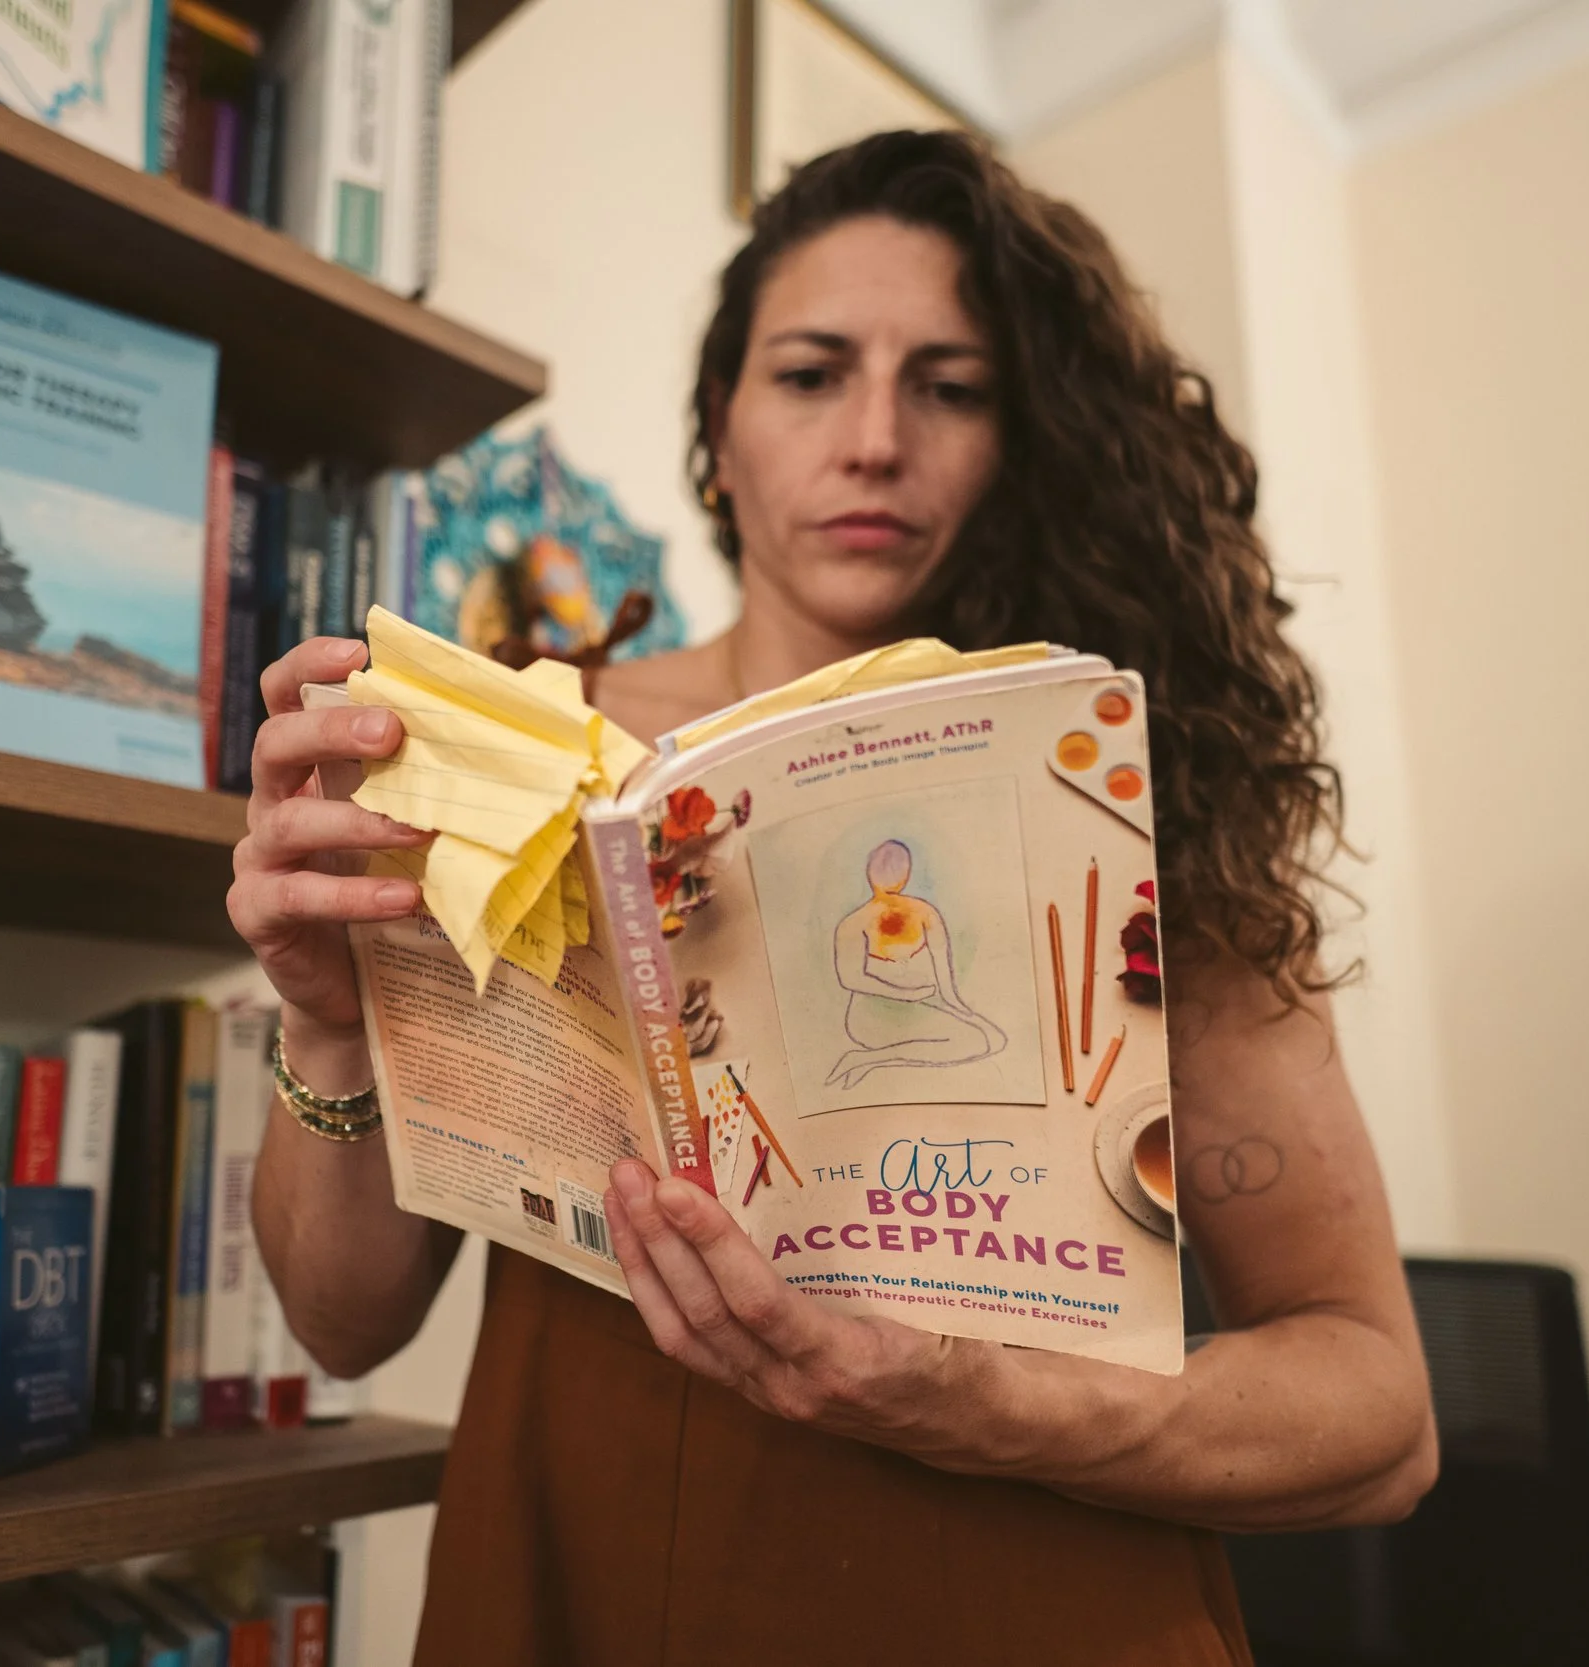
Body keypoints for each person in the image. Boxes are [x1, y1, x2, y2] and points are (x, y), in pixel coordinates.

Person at [229, 130, 1435, 1666]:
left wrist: (982, 1401)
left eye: (951, 383)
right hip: (582, 1576)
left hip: (1033, 1592)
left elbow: (1382, 1418)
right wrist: (331, 1027)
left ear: (1026, 438)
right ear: (718, 434)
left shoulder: (1130, 787)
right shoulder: (518, 758)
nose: (875, 437)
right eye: (811, 373)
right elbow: (344, 1323)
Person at [826, 836, 1006, 1091]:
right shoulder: (854, 924)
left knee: (996, 1040)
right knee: (976, 1042)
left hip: (922, 1006)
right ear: (906, 875)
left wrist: (955, 1006)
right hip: (871, 1018)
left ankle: (868, 1060)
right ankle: (863, 1058)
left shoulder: (924, 912)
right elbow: (851, 979)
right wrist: (905, 995)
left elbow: (943, 971)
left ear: (870, 875)